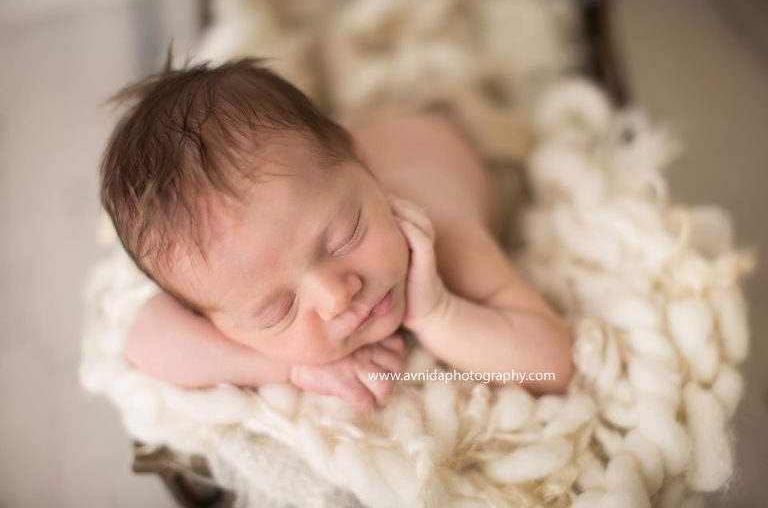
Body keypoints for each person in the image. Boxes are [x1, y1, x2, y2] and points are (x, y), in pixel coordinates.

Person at [100, 58, 573, 416]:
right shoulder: (241, 273)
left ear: (360, 163)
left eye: (344, 238)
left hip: (460, 130)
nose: (337, 296)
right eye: (278, 310)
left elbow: (550, 367)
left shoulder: (441, 237)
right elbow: (144, 341)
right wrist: (295, 368)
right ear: (217, 320)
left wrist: (437, 312)